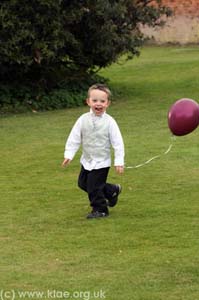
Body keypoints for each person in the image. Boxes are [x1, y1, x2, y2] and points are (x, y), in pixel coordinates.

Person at [62, 83, 125, 219]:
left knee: (93, 187)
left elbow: (118, 143)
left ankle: (100, 209)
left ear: (108, 103)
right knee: (82, 183)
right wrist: (69, 154)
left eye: (102, 101)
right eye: (95, 100)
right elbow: (74, 137)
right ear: (88, 101)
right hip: (87, 160)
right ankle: (111, 190)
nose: (98, 104)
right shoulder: (82, 119)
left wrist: (118, 161)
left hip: (102, 162)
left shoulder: (110, 122)